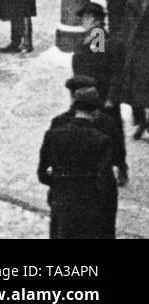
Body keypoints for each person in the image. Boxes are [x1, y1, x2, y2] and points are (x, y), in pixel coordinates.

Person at [38, 86, 119, 239]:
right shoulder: (101, 141)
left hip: (61, 206)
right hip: (90, 209)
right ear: (95, 111)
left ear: (75, 108)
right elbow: (105, 184)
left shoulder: (52, 136)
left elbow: (42, 174)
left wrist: (60, 182)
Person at [123, 0, 149, 140]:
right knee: (134, 90)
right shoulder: (132, 2)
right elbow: (129, 27)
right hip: (136, 51)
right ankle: (140, 122)